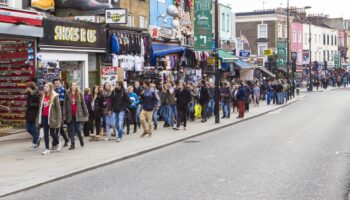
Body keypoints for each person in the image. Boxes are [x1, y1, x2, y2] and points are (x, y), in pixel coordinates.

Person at [37, 82, 62, 155]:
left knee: (52, 133)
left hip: (52, 118)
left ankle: (58, 142)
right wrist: (39, 117)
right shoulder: (43, 95)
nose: (45, 87)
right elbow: (40, 107)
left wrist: (59, 119)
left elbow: (58, 109)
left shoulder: (55, 96)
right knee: (45, 133)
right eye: (45, 86)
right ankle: (47, 149)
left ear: (50, 88)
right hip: (44, 117)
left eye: (47, 86)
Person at [63, 81, 89, 150]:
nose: (74, 86)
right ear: (71, 86)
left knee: (78, 129)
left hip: (78, 114)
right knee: (71, 130)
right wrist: (64, 115)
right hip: (70, 115)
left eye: (75, 85)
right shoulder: (67, 94)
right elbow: (64, 106)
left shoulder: (80, 94)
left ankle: (81, 139)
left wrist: (86, 113)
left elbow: (83, 104)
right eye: (73, 85)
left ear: (77, 86)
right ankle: (72, 144)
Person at [53, 79, 69, 147]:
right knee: (60, 127)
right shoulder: (54, 91)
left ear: (60, 83)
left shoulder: (64, 90)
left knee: (58, 126)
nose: (56, 84)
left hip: (62, 110)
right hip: (55, 110)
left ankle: (54, 143)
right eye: (55, 83)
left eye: (57, 83)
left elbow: (66, 102)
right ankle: (66, 139)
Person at [25, 82, 41, 148]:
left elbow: (38, 105)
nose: (26, 88)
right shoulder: (29, 94)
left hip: (34, 114)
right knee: (28, 128)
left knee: (34, 129)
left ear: (30, 88)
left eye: (27, 87)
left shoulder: (37, 95)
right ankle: (37, 137)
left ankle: (35, 142)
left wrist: (32, 104)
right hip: (29, 113)